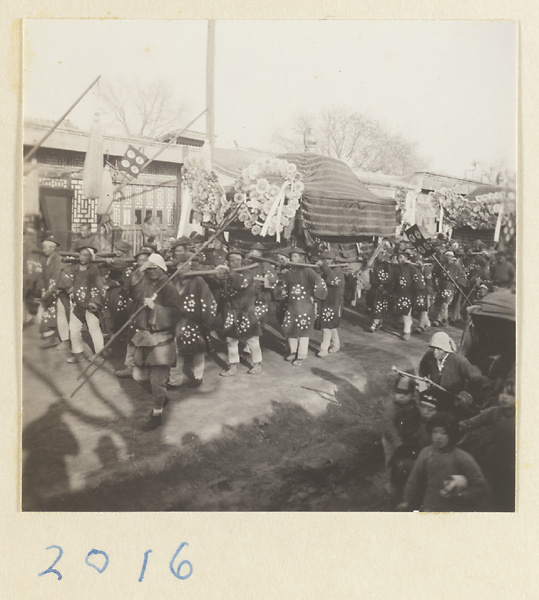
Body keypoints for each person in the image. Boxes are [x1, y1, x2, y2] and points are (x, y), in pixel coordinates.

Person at [398, 412, 488, 512]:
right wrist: (407, 500)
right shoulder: (426, 453)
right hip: (429, 507)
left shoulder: (462, 457)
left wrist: (460, 495)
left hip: (453, 511)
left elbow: (480, 487)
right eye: (435, 432)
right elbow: (414, 479)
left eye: (443, 433)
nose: (438, 437)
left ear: (452, 434)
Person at [131, 253, 182, 430]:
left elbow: (176, 313)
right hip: (144, 337)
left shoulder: (168, 287)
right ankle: (162, 397)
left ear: (162, 269)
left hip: (162, 338)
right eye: (150, 269)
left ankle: (157, 414)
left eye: (155, 269)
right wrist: (141, 269)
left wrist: (156, 309)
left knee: (157, 380)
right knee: (138, 376)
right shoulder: (145, 282)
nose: (152, 272)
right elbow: (134, 291)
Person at [459, 377, 516, 511]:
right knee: (487, 496)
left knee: (507, 498)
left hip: (512, 467)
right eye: (502, 393)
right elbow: (473, 422)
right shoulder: (494, 412)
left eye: (510, 394)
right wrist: (462, 425)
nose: (504, 397)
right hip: (491, 462)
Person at [167, 256, 217, 388]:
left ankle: (198, 376)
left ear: (190, 266)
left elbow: (208, 301)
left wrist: (206, 321)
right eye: (180, 265)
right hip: (176, 322)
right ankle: (174, 380)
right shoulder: (172, 281)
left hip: (194, 322)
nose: (183, 268)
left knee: (197, 349)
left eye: (186, 265)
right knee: (176, 351)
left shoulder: (198, 281)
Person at [274, 247, 327, 366]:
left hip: (305, 306)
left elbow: (319, 282)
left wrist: (315, 296)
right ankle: (293, 351)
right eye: (292, 256)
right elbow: (284, 289)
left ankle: (301, 355)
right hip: (292, 306)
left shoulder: (308, 271)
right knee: (289, 329)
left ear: (301, 258)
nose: (293, 258)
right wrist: (280, 288)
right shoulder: (289, 273)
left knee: (303, 330)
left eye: (296, 256)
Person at [217, 249, 263, 376]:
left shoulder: (247, 273)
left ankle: (257, 364)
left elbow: (240, 283)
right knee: (231, 340)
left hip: (245, 312)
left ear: (240, 260)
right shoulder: (229, 274)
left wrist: (229, 272)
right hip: (232, 312)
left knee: (251, 340)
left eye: (234, 260)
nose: (232, 263)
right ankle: (232, 366)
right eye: (230, 261)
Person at [419, 331, 486, 417]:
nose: (435, 351)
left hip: (453, 399)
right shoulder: (429, 356)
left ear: (446, 350)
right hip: (435, 395)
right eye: (433, 348)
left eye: (439, 349)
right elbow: (423, 369)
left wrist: (467, 393)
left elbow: (477, 379)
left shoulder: (459, 360)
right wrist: (423, 381)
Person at [115, 246, 153, 379]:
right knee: (132, 338)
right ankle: (130, 366)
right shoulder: (134, 273)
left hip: (152, 310)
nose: (143, 262)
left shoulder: (155, 273)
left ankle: (147, 368)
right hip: (137, 309)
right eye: (140, 260)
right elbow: (128, 286)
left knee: (148, 339)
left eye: (145, 260)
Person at [65, 245, 105, 364]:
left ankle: (99, 354)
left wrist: (94, 302)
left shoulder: (94, 270)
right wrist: (70, 288)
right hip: (78, 304)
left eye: (85, 255)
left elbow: (98, 287)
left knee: (94, 329)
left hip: (90, 305)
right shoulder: (75, 268)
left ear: (91, 257)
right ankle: (77, 353)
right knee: (73, 329)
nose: (82, 257)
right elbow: (67, 277)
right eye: (81, 254)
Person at [37, 235, 71, 350]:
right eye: (43, 247)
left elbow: (56, 279)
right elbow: (40, 276)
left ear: (53, 248)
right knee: (48, 314)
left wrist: (47, 294)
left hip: (59, 292)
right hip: (48, 291)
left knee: (61, 315)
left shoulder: (58, 260)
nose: (44, 250)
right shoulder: (44, 259)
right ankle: (52, 338)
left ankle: (66, 340)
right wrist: (43, 290)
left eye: (46, 247)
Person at [389, 250, 426, 341]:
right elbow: (394, 280)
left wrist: (418, 291)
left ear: (406, 258)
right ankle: (410, 326)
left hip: (409, 293)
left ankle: (407, 331)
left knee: (406, 312)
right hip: (401, 293)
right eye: (399, 257)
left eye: (401, 257)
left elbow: (418, 279)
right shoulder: (397, 268)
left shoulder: (411, 267)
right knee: (403, 312)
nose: (399, 259)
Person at [316, 249, 345, 356]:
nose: (326, 261)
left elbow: (333, 280)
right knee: (330, 324)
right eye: (324, 259)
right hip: (326, 299)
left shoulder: (337, 270)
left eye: (328, 259)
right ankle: (336, 345)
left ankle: (324, 348)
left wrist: (324, 267)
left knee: (326, 325)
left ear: (333, 260)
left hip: (335, 301)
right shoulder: (324, 269)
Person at [248, 242, 278, 326]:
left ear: (259, 253)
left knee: (257, 321)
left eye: (253, 251)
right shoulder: (249, 264)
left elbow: (274, 279)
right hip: (249, 295)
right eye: (251, 251)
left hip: (261, 296)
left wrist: (260, 279)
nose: (251, 252)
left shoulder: (265, 264)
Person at [368, 251, 391, 332]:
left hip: (383, 289)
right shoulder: (373, 264)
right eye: (378, 255)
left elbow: (389, 277)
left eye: (381, 254)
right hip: (374, 288)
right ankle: (379, 321)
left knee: (379, 305)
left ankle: (375, 322)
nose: (379, 256)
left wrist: (385, 286)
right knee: (374, 305)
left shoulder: (386, 265)